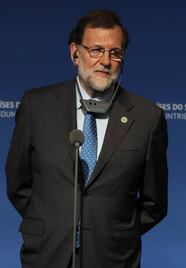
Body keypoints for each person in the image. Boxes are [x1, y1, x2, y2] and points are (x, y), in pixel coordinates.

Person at [6, 10, 168, 268]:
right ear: (74, 52)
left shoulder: (148, 118)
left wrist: (115, 232)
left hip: (114, 258)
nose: (105, 61)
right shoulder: (36, 106)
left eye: (115, 53)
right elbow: (18, 184)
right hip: (46, 254)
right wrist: (51, 223)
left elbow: (154, 202)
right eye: (96, 50)